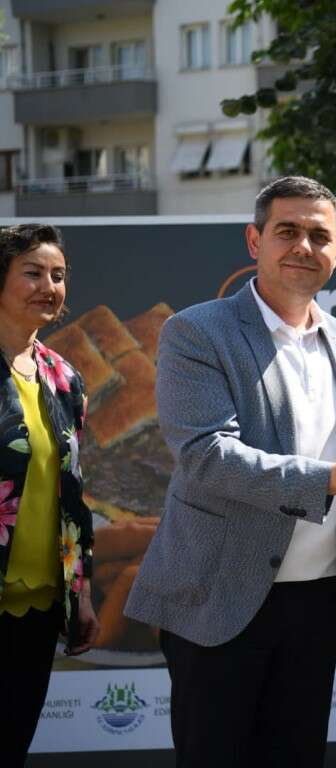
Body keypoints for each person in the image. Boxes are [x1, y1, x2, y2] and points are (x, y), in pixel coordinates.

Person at [124, 176, 336, 767]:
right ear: (254, 240)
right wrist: (329, 480)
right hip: (219, 597)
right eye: (287, 231)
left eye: (319, 236)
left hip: (316, 601)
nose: (303, 247)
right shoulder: (196, 331)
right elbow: (207, 455)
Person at [0, 223, 100, 767]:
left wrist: (80, 594)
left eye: (58, 276)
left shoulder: (65, 378)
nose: (49, 286)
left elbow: (73, 497)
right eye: (33, 273)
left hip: (39, 609)